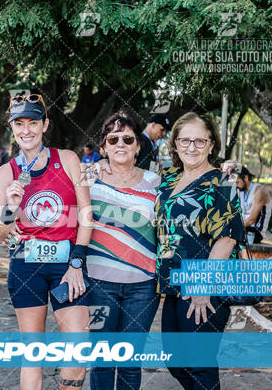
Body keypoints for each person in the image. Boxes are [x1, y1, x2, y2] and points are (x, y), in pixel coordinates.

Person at [0, 94, 93, 390]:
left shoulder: (69, 160)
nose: (26, 130)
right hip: (26, 267)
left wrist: (76, 263)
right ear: (12, 127)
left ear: (45, 124)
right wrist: (10, 207)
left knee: (76, 348)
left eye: (33, 122)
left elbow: (87, 218)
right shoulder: (4, 173)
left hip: (66, 267)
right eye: (19, 123)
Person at [155, 112, 245, 390]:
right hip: (174, 285)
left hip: (204, 286)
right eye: (184, 140)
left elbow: (228, 238)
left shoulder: (221, 182)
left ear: (211, 144)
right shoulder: (168, 179)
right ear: (175, 144)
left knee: (199, 364)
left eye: (199, 141)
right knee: (175, 360)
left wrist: (204, 285)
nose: (191, 147)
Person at [87, 114, 160, 390]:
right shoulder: (88, 176)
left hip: (143, 286)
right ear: (103, 146)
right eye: (113, 139)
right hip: (97, 282)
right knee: (102, 359)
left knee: (130, 361)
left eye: (128, 139)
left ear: (138, 146)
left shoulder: (155, 182)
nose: (121, 144)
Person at [236, 166, 272, 244]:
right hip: (245, 228)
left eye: (237, 182)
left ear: (245, 178)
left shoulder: (259, 191)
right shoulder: (240, 191)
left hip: (255, 232)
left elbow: (252, 219)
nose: (236, 185)